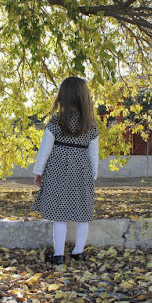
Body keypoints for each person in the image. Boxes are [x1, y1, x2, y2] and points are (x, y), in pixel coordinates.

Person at [32, 77, 99, 265]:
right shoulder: (90, 124)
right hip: (82, 170)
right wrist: (92, 176)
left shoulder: (57, 121)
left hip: (58, 170)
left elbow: (45, 149)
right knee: (83, 213)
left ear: (63, 96)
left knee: (59, 213)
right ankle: (78, 252)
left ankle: (59, 255)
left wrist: (39, 171)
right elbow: (94, 153)